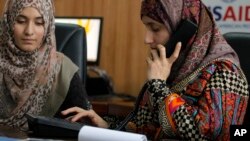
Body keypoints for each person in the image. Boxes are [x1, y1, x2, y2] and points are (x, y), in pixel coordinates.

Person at [62, 0, 249, 140]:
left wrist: (158, 86)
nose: (147, 38)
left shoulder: (225, 73)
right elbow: (148, 131)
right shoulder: (169, 69)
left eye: (155, 28)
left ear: (185, 30)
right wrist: (106, 126)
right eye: (146, 27)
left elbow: (205, 134)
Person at [0, 0, 91, 131]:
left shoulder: (61, 68)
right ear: (8, 22)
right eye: (20, 21)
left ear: (48, 26)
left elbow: (86, 125)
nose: (29, 31)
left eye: (39, 23)